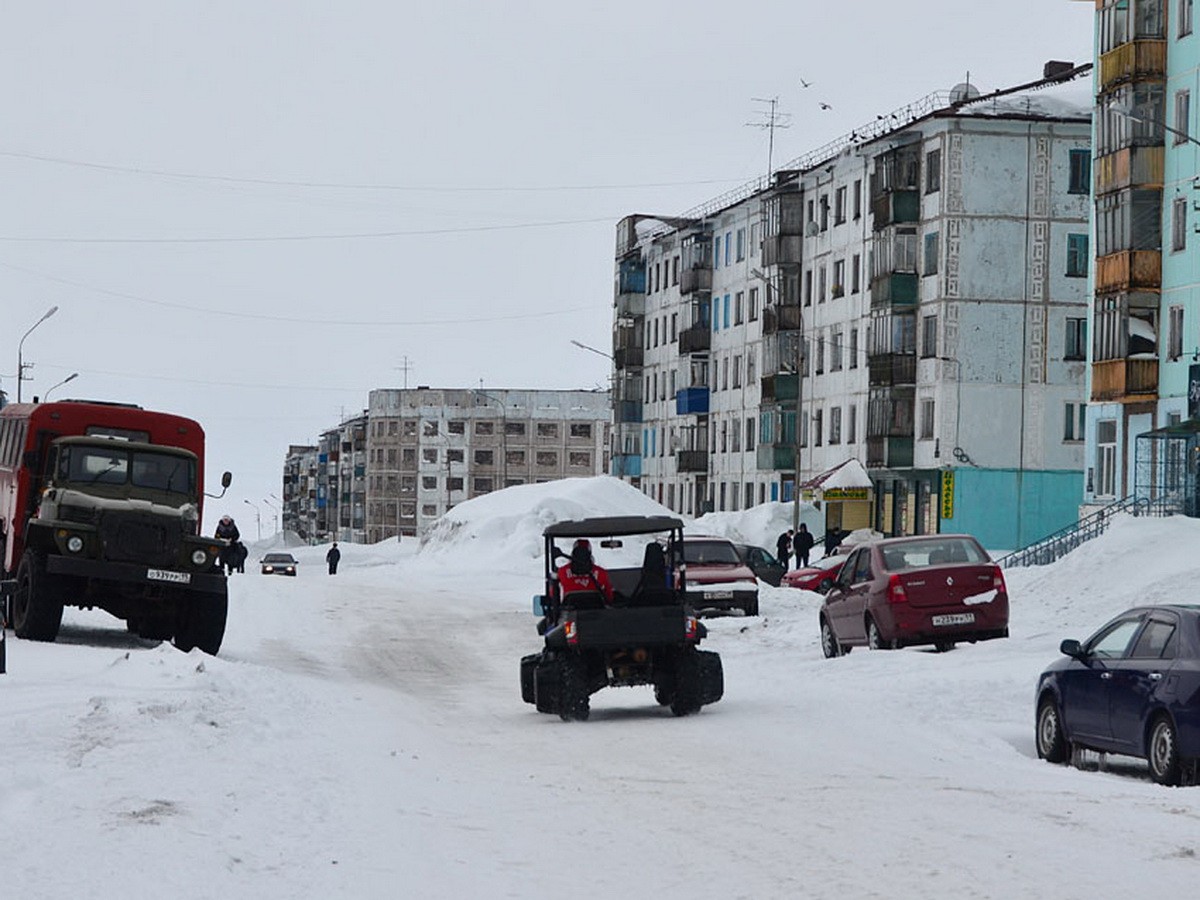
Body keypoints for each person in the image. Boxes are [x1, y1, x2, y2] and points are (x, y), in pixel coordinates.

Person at [556, 539, 613, 604]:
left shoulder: (562, 572)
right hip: (596, 610)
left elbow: (553, 594)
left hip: (570, 610)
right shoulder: (601, 572)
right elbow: (609, 596)